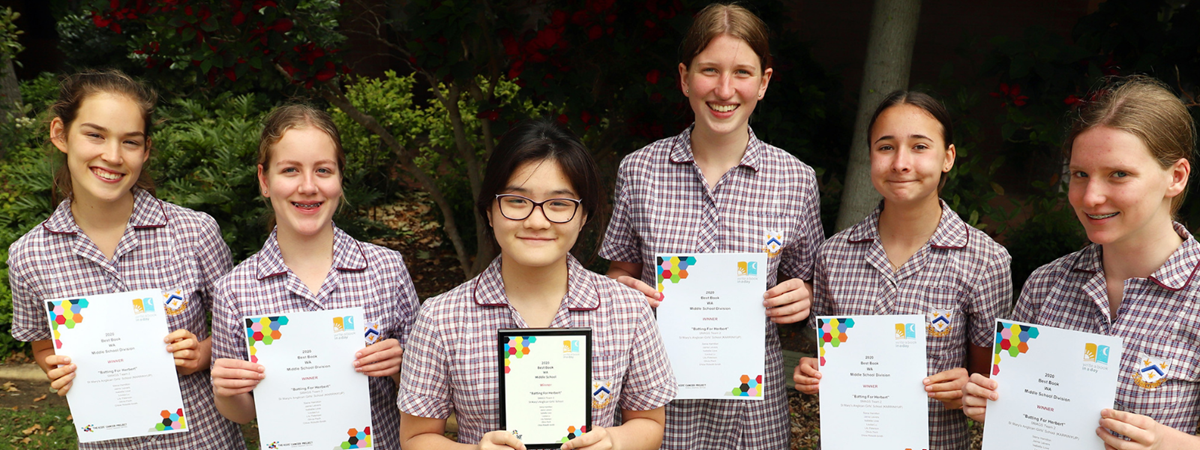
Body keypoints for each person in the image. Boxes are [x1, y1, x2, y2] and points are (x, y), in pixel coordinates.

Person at [599, 3, 824, 448]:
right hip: (655, 404)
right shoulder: (640, 170)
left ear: (764, 83)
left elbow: (809, 284)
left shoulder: (796, 179)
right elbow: (618, 274)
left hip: (752, 414)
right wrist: (621, 290)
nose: (725, 89)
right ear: (684, 78)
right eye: (709, 70)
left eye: (742, 72)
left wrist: (804, 296)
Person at [397, 119, 676, 450]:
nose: (536, 221)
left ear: (584, 214)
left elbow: (648, 423)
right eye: (516, 201)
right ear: (489, 209)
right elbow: (416, 437)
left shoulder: (627, 311)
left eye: (559, 203)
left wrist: (613, 441)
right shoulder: (441, 318)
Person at [6, 70, 245, 448]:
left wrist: (201, 353)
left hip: (203, 438)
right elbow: (41, 342)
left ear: (146, 150)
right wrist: (54, 366)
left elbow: (240, 332)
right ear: (60, 134)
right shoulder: (29, 254)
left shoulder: (195, 232)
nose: (113, 156)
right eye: (95, 134)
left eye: (130, 142)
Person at [962, 76, 1200, 448]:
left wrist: (1172, 444)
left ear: (1176, 177)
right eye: (1079, 175)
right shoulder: (1045, 285)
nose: (1090, 197)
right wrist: (994, 404)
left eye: (1118, 174)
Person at [792, 91, 1011, 449]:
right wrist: (811, 373)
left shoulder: (985, 261)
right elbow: (825, 360)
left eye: (920, 146)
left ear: (948, 158)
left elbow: (988, 379)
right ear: (870, 156)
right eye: (886, 147)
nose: (901, 163)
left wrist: (967, 387)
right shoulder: (833, 255)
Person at [208, 104, 419, 450]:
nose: (308, 186)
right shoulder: (234, 289)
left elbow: (424, 397)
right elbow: (242, 413)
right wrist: (226, 391)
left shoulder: (387, 270)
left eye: (323, 170)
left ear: (339, 179)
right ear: (264, 180)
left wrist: (400, 367)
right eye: (290, 170)